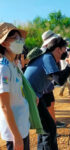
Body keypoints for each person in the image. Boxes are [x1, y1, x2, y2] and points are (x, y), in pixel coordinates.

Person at [24, 30, 70, 150]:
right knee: (49, 129)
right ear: (58, 49)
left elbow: (56, 78)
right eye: (65, 48)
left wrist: (68, 69)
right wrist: (69, 65)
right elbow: (59, 80)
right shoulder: (48, 57)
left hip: (35, 95)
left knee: (45, 129)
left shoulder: (48, 57)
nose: (66, 52)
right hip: (32, 96)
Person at [0, 22, 30, 150]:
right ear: (4, 43)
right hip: (14, 132)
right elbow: (4, 106)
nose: (20, 42)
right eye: (16, 39)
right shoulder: (3, 68)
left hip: (22, 125)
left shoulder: (14, 65)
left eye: (21, 39)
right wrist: (16, 137)